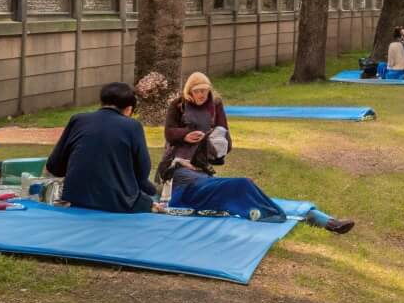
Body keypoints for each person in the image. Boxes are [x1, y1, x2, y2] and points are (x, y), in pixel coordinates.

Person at [45, 82, 160, 214]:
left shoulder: (78, 120)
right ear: (128, 109)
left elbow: (54, 166)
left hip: (76, 198)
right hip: (118, 202)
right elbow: (142, 173)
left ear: (102, 103)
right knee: (154, 196)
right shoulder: (132, 126)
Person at [165, 160, 355, 233]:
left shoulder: (199, 171)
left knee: (256, 194)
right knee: (245, 186)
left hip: (222, 191)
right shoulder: (180, 175)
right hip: (209, 193)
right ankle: (328, 223)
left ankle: (329, 222)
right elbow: (174, 196)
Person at [158, 71, 231, 183]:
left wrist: (212, 140)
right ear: (189, 92)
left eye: (204, 90)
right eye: (196, 91)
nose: (201, 94)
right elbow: (169, 132)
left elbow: (223, 130)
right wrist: (185, 135)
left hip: (205, 153)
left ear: (209, 90)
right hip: (180, 153)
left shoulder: (216, 104)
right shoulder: (178, 104)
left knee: (204, 182)